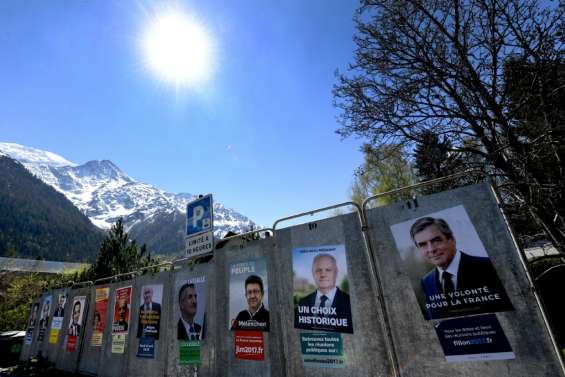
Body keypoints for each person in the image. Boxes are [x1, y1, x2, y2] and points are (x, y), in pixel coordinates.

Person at [410, 216, 513, 320]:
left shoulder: (488, 267)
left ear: (452, 240)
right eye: (423, 245)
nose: (431, 249)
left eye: (436, 240)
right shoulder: (427, 281)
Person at [295, 253, 353, 333]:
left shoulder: (350, 302)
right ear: (313, 272)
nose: (323, 274)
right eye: (318, 270)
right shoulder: (303, 303)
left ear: (336, 272)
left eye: (328, 270)